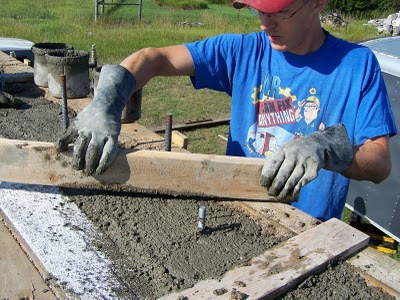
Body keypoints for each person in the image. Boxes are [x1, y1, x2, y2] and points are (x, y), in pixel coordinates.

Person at [57, 0, 397, 222]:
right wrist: (107, 100)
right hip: (238, 215)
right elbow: (153, 57)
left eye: (280, 12)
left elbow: (380, 163)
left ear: (318, 3)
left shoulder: (356, 66)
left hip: (309, 232)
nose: (266, 23)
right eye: (259, 11)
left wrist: (325, 148)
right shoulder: (244, 51)